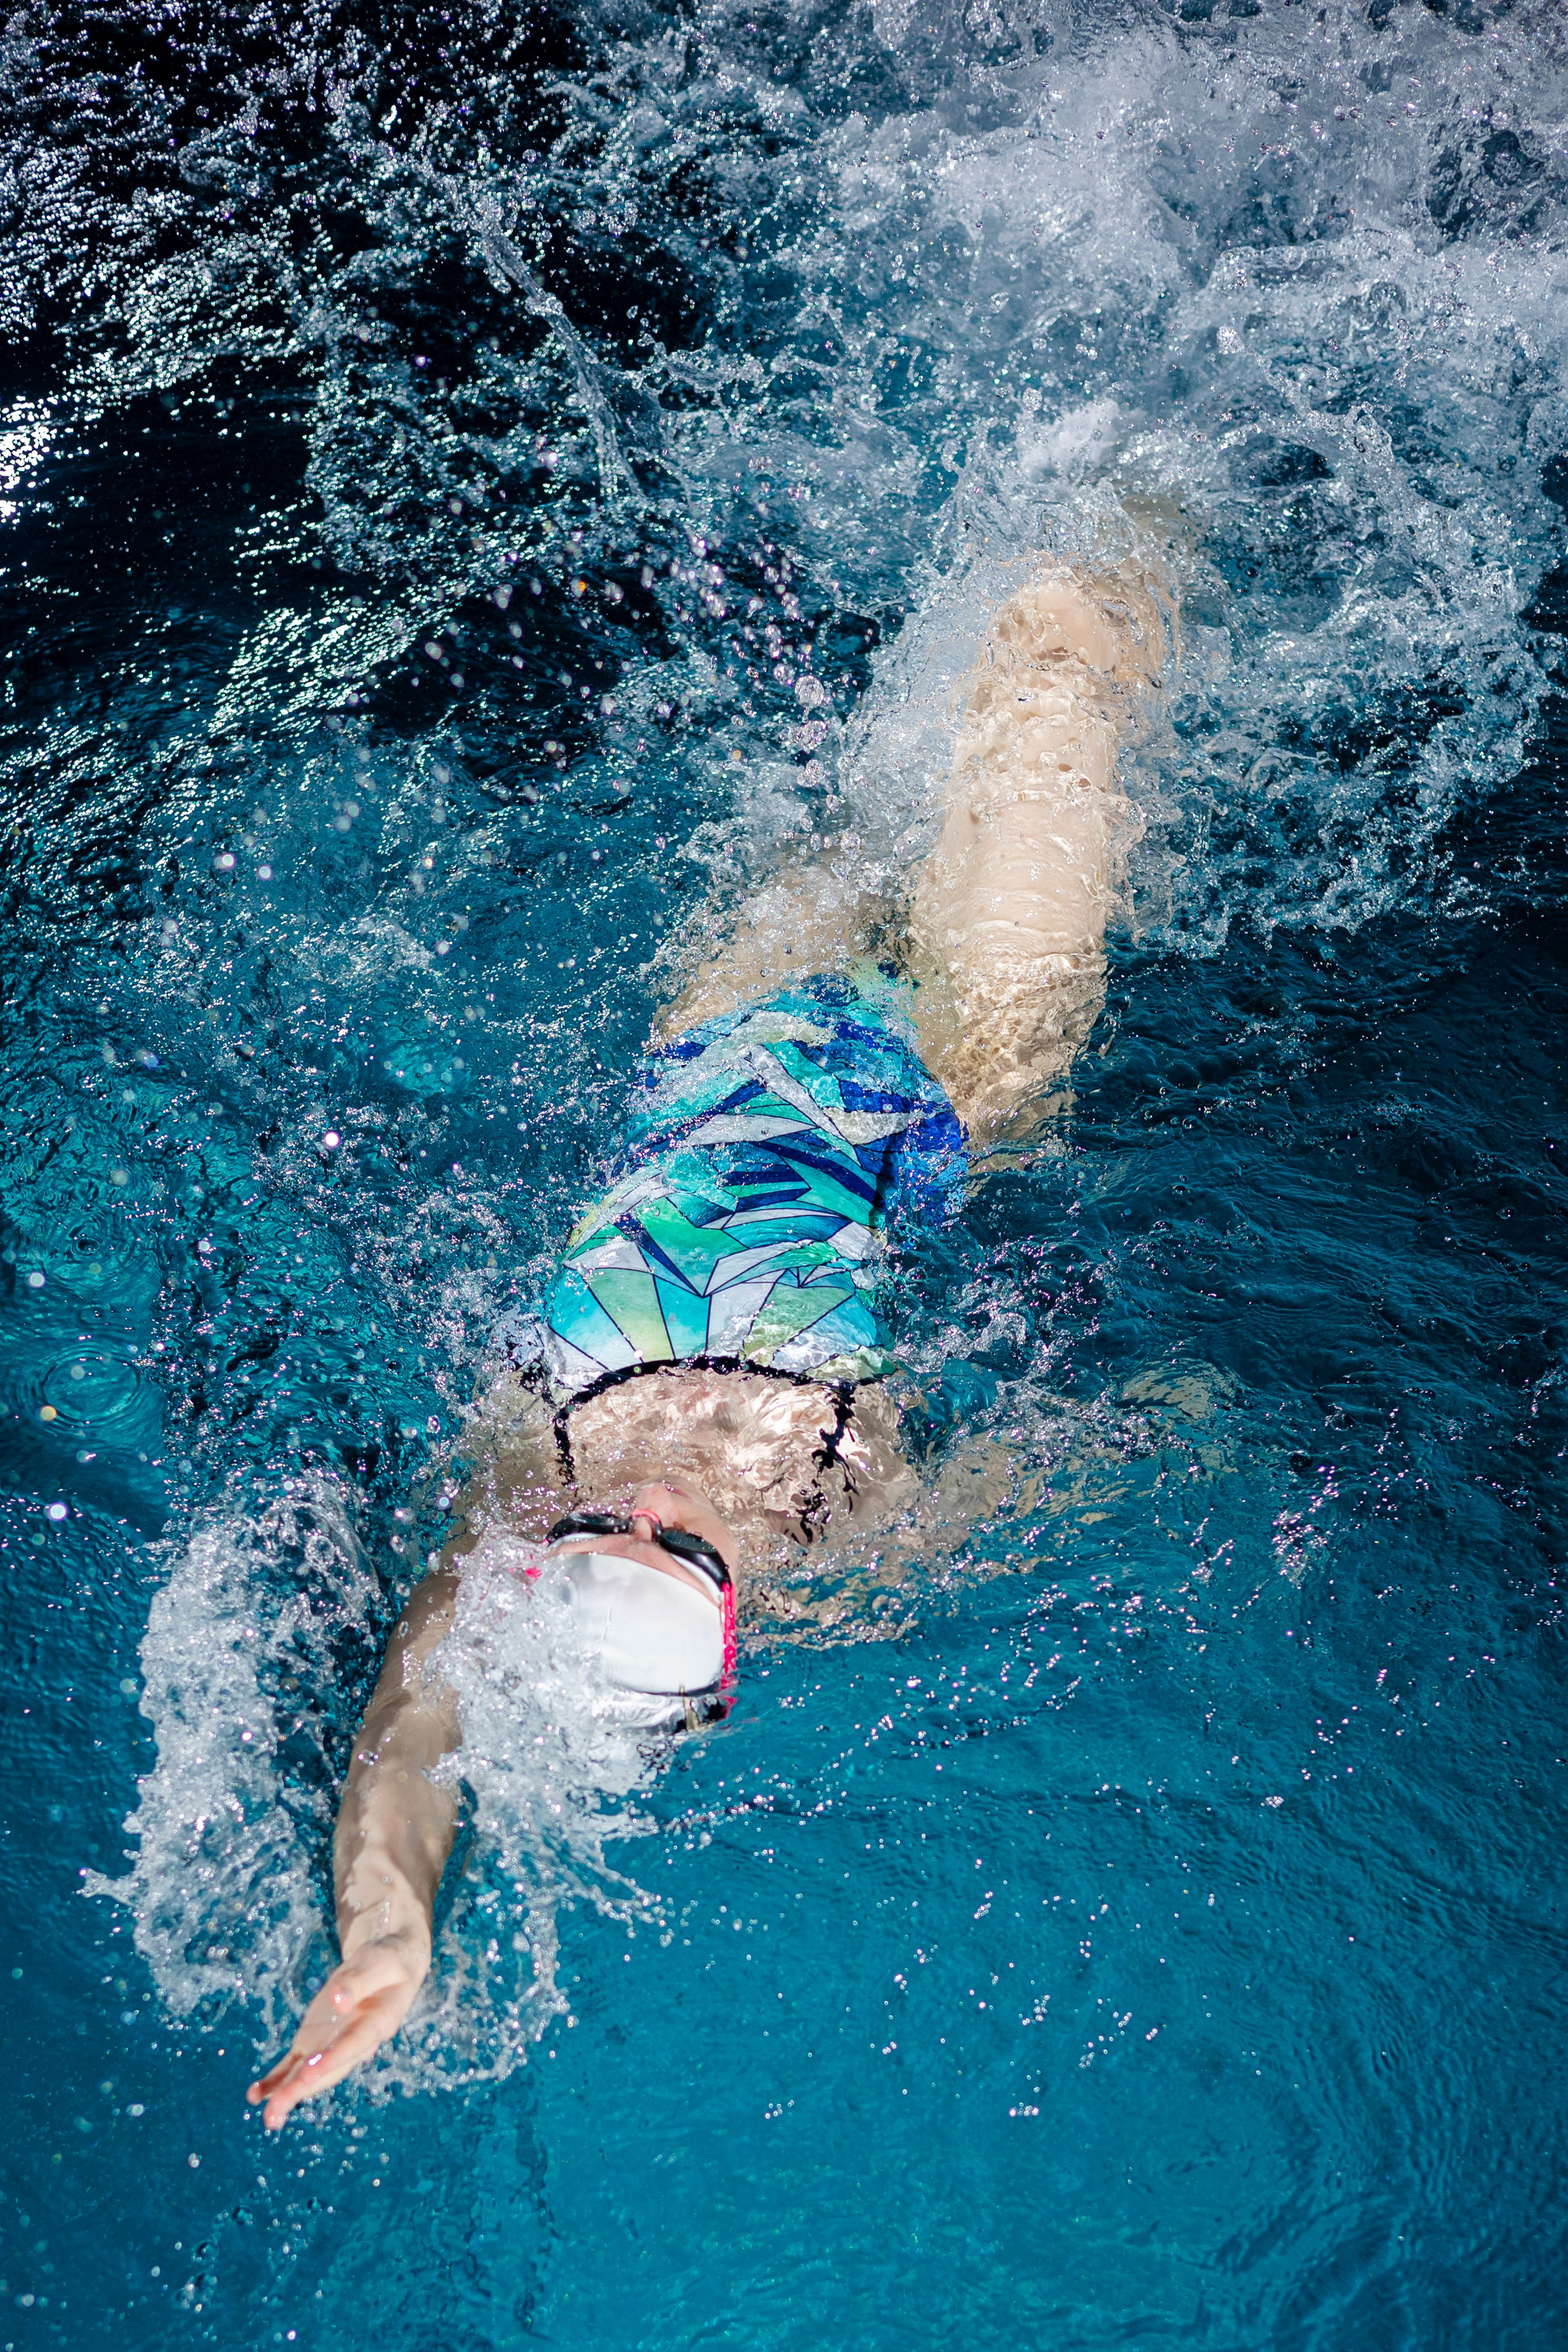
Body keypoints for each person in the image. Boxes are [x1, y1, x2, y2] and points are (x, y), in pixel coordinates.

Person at [247, 559, 1165, 2129]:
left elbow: (411, 1723)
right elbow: (1115, 1443)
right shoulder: (867, 1542)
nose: (650, 1505)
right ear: (742, 1630)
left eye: (600, 1531)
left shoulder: (514, 1469)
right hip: (954, 1071)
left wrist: (387, 1926)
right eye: (679, 1557)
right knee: (1057, 657)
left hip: (715, 1033)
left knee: (819, 771)